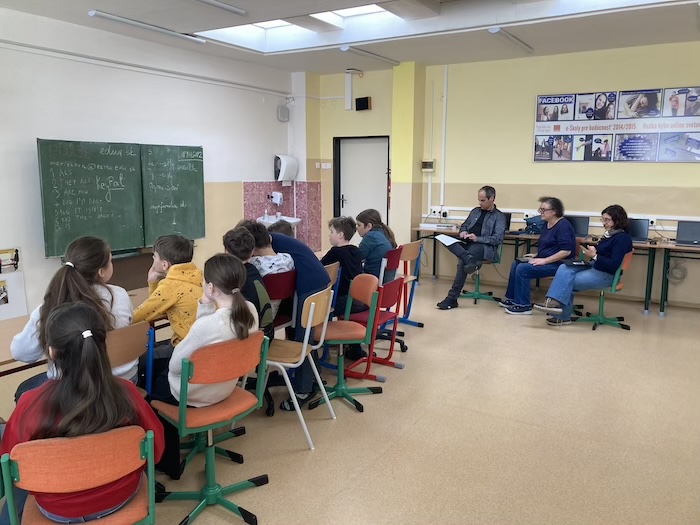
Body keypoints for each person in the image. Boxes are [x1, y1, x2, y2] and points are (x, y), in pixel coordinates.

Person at [0, 302, 164, 524]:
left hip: (57, 510)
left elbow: (12, 469)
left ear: (51, 351)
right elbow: (155, 450)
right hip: (121, 497)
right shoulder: (127, 393)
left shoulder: (29, 405)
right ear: (102, 345)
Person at [150, 253, 257, 478]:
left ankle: (169, 463)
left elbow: (176, 366)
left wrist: (204, 304)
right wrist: (206, 305)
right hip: (226, 387)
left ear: (210, 287)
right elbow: (206, 334)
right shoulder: (250, 311)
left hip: (196, 396)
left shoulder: (208, 326)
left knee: (153, 382)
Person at [11, 236, 133, 402]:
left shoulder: (50, 306)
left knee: (23, 390)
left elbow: (21, 352)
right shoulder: (120, 295)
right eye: (110, 261)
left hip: (70, 391)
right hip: (124, 383)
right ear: (101, 272)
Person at [534, 205, 634, 326]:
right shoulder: (611, 234)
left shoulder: (622, 238)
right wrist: (592, 250)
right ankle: (553, 302)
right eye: (603, 219)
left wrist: (595, 256)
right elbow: (605, 252)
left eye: (607, 220)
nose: (604, 223)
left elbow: (613, 265)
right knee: (564, 268)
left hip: (606, 275)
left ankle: (561, 314)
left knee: (567, 280)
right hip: (595, 267)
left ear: (617, 220)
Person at [500, 196, 576, 315]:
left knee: (523, 269)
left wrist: (544, 260)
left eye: (544, 210)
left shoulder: (563, 226)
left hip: (559, 265)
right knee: (517, 263)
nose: (540, 212)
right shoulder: (547, 224)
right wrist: (536, 255)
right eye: (540, 209)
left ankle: (523, 306)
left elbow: (566, 251)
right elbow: (550, 247)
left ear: (554, 211)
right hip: (547, 260)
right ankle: (513, 299)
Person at [437, 186, 507, 310]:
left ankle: (452, 298)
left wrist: (477, 238)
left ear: (492, 199)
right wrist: (463, 232)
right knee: (443, 238)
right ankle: (469, 259)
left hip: (484, 247)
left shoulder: (499, 216)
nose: (480, 203)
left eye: (483, 200)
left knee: (463, 261)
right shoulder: (475, 211)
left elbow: (498, 239)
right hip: (467, 243)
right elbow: (464, 225)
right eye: (479, 200)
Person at [132, 235, 202, 358]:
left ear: (164, 265)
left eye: (154, 256)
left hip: (185, 349)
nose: (153, 259)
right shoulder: (198, 275)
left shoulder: (170, 286)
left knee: (138, 358)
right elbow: (162, 309)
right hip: (203, 344)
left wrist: (152, 282)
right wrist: (154, 282)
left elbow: (140, 315)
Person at [222, 226, 275, 341]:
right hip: (267, 335)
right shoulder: (254, 270)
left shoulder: (232, 277)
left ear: (226, 251)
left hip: (252, 342)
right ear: (252, 252)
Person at [245, 221, 295, 318]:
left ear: (251, 247)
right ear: (270, 238)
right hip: (278, 312)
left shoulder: (254, 265)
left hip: (258, 315)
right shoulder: (288, 259)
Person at [321, 216, 365, 317]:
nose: (329, 235)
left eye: (331, 232)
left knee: (313, 303)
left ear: (340, 235)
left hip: (343, 301)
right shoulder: (355, 251)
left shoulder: (335, 252)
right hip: (359, 300)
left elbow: (319, 267)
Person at [356, 209, 397, 282]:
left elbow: (357, 257)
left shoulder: (370, 237)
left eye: (359, 225)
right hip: (384, 279)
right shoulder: (384, 233)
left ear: (369, 226)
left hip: (372, 279)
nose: (357, 228)